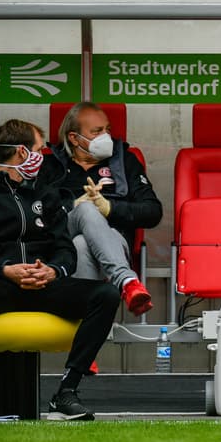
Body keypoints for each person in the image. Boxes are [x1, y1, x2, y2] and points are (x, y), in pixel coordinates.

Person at [0, 120, 120, 422]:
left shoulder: (45, 194)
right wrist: (4, 270)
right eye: (40, 149)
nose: (45, 156)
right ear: (22, 153)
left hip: (43, 285)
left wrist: (53, 271)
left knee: (106, 294)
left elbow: (66, 251)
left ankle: (66, 392)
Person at [40, 102, 161, 316]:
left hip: (113, 241)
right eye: (96, 132)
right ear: (74, 138)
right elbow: (34, 214)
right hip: (59, 241)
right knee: (86, 209)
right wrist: (73, 206)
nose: (105, 136)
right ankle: (127, 281)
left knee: (82, 243)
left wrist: (109, 208)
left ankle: (83, 316)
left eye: (108, 130)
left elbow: (153, 212)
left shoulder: (124, 161)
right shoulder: (49, 166)